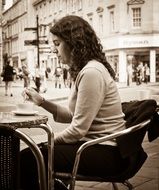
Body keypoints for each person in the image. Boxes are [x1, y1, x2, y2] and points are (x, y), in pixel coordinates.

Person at [20, 15, 128, 190]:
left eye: (57, 43)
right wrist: (42, 102)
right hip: (95, 147)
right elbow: (71, 116)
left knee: (29, 158)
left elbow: (77, 130)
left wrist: (48, 142)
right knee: (32, 157)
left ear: (73, 43)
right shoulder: (85, 70)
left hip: (107, 152)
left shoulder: (91, 72)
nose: (54, 50)